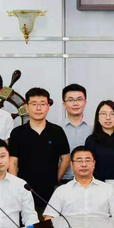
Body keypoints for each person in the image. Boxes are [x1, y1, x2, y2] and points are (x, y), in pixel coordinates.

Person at [9, 87, 70, 215]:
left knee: (49, 225)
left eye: (42, 104)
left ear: (48, 106)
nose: (38, 108)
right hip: (24, 191)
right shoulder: (17, 133)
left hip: (51, 192)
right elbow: (12, 162)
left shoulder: (57, 131)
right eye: (34, 104)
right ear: (27, 107)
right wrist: (15, 187)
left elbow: (65, 158)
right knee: (26, 225)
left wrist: (56, 179)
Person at [44, 146, 114, 219]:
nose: (84, 164)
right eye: (79, 161)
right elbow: (49, 218)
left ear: (94, 163)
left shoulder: (108, 189)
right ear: (72, 164)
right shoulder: (61, 191)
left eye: (88, 160)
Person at [84, 100, 114, 198]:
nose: (108, 118)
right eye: (103, 114)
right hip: (97, 188)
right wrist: (102, 188)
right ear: (97, 117)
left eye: (112, 114)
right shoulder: (91, 140)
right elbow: (88, 167)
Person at [60, 83, 93, 185]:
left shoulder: (94, 128)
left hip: (90, 180)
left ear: (85, 102)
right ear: (64, 104)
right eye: (70, 100)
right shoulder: (57, 129)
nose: (75, 103)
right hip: (63, 180)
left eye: (79, 99)